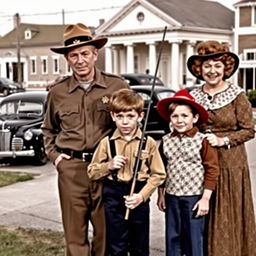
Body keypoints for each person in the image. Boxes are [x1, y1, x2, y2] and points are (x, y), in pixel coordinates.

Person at [41, 23, 129, 256]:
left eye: (84, 54)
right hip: (72, 170)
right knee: (75, 234)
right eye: (73, 56)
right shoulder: (57, 92)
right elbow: (48, 129)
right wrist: (56, 158)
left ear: (95, 54)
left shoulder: (116, 86)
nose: (80, 60)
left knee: (105, 232)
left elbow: (131, 124)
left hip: (107, 170)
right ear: (67, 59)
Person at [187, 40, 256, 256]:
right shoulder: (193, 96)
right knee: (202, 212)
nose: (212, 71)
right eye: (207, 66)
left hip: (231, 165)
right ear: (200, 70)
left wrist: (222, 140)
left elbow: (249, 130)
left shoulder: (238, 95)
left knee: (227, 213)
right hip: (200, 165)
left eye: (217, 65)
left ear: (225, 68)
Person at [87, 88, 166, 256]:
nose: (125, 122)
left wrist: (142, 196)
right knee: (117, 245)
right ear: (113, 116)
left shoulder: (148, 142)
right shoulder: (107, 143)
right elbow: (92, 172)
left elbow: (158, 174)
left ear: (140, 116)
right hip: (114, 196)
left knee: (140, 245)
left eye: (130, 116)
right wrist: (108, 165)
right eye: (120, 116)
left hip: (138, 196)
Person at [156, 89, 220, 256]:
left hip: (195, 196)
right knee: (173, 236)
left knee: (194, 237)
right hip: (172, 195)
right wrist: (161, 194)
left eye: (184, 116)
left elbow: (212, 170)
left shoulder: (203, 140)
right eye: (175, 116)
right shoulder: (166, 140)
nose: (179, 120)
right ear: (170, 118)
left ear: (195, 118)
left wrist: (205, 199)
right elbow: (161, 169)